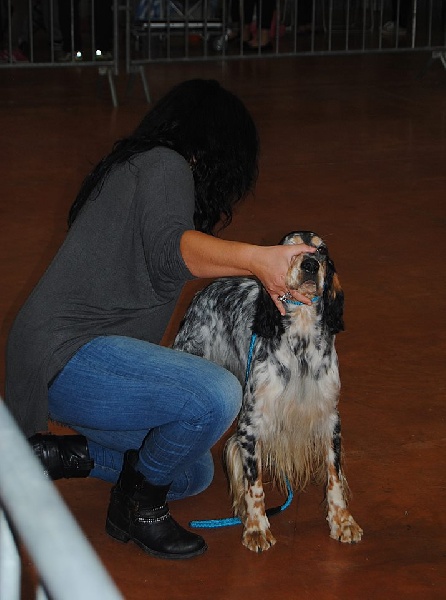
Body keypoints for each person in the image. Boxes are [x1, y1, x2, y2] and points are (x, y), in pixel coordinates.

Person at [5, 79, 316, 560]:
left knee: (193, 471)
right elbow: (175, 253)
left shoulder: (141, 169)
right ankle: (136, 509)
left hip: (74, 363)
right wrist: (258, 260)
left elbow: (176, 251)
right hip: (67, 356)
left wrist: (259, 271)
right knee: (214, 395)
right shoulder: (164, 165)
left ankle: (51, 455)